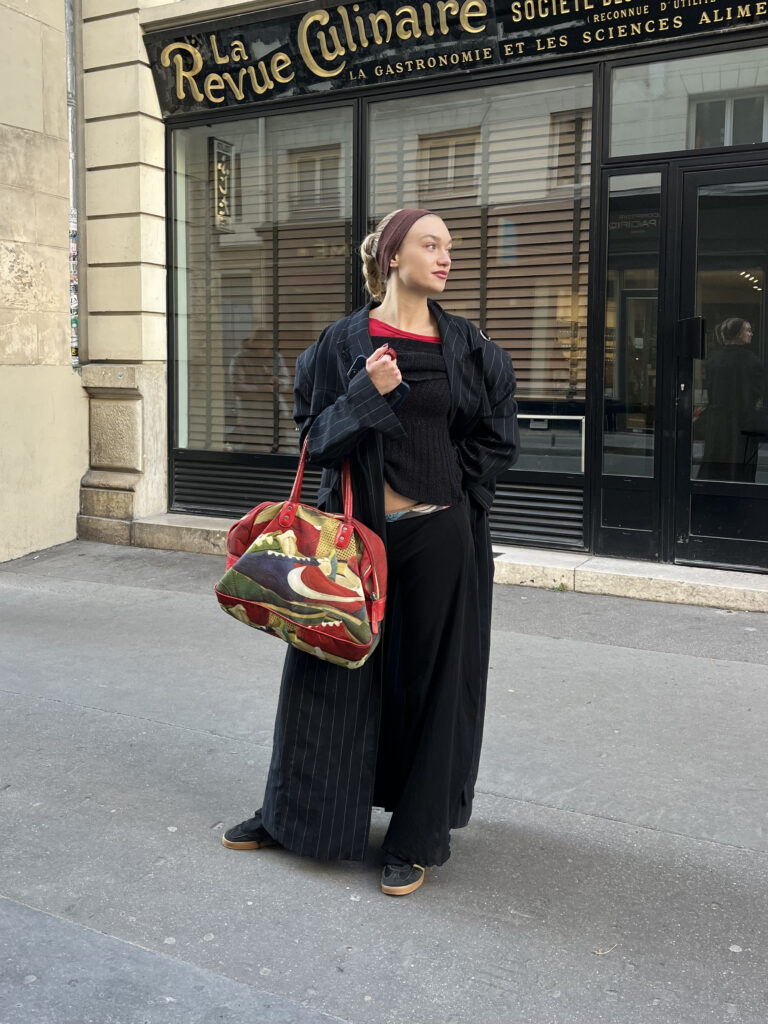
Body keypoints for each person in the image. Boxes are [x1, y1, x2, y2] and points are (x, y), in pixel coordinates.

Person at [221, 208, 520, 896]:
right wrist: (366, 393)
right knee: (328, 669)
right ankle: (293, 815)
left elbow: (497, 434)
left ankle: (414, 839)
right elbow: (314, 439)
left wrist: (454, 494)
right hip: (357, 538)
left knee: (432, 680)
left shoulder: (469, 346)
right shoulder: (340, 343)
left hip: (441, 537)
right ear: (392, 256)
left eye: (449, 247)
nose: (445, 257)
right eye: (430, 244)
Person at [700, 317, 765, 482]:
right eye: (747, 330)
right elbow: (757, 391)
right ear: (738, 334)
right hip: (742, 420)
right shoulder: (751, 361)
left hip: (718, 420)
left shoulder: (713, 359)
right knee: (740, 464)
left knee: (716, 460)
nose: (751, 333)